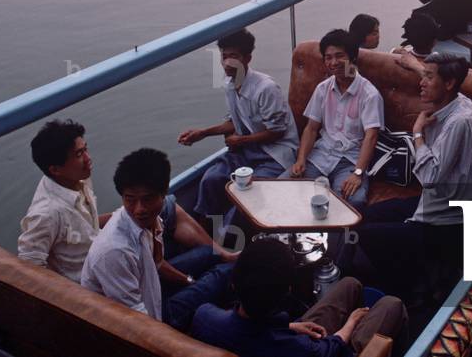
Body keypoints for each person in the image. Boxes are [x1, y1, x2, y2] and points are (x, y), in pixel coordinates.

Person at [358, 52, 472, 299]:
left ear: (448, 84)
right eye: (423, 76)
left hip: (447, 220)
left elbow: (430, 177)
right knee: (363, 216)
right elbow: (443, 79)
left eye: (428, 77)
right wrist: (417, 67)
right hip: (434, 201)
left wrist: (417, 134)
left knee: (365, 236)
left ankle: (408, 290)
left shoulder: (460, 121)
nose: (421, 83)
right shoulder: (458, 100)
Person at [81, 148, 233, 332]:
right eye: (130, 199)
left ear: (163, 194)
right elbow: (139, 322)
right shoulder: (114, 252)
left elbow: (157, 264)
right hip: (156, 316)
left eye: (148, 199)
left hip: (152, 288)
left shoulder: (149, 221)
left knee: (210, 253)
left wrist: (189, 282)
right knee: (225, 272)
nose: (139, 209)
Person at [192, 237, 407, 357]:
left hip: (279, 338)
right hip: (327, 351)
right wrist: (350, 324)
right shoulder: (297, 348)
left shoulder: (204, 316)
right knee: (392, 304)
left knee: (350, 285)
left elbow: (250, 329)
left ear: (234, 284)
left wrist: (291, 327)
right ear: (286, 293)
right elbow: (327, 350)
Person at [178, 28, 299, 221]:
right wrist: (203, 133)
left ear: (247, 58)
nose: (227, 63)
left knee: (246, 196)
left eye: (233, 56)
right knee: (211, 180)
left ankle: (230, 239)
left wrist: (241, 140)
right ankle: (209, 228)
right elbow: (234, 121)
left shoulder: (266, 88)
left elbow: (277, 132)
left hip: (274, 154)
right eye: (223, 57)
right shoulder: (230, 85)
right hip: (247, 150)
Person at [287, 29, 384, 207]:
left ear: (352, 57)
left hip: (350, 160)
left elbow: (371, 137)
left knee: (353, 202)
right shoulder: (323, 89)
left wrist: (358, 173)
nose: (333, 62)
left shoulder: (369, 94)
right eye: (328, 57)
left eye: (339, 56)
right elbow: (311, 128)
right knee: (284, 187)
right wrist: (301, 159)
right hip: (321, 155)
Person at [18, 119, 111, 282]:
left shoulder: (76, 179)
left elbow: (86, 227)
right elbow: (29, 268)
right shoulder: (47, 214)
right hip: (93, 285)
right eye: (79, 154)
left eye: (85, 149)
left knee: (163, 209)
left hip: (102, 257)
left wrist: (123, 216)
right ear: (55, 169)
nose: (88, 158)